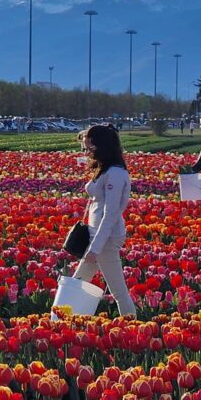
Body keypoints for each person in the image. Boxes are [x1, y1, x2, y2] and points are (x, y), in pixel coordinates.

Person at [71, 125, 136, 316]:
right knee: (77, 282)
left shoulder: (115, 174)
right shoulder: (105, 169)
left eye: (90, 148)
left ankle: (133, 330)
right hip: (96, 236)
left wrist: (95, 248)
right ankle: (66, 321)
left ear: (102, 146)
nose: (87, 152)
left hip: (105, 239)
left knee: (118, 292)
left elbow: (111, 214)